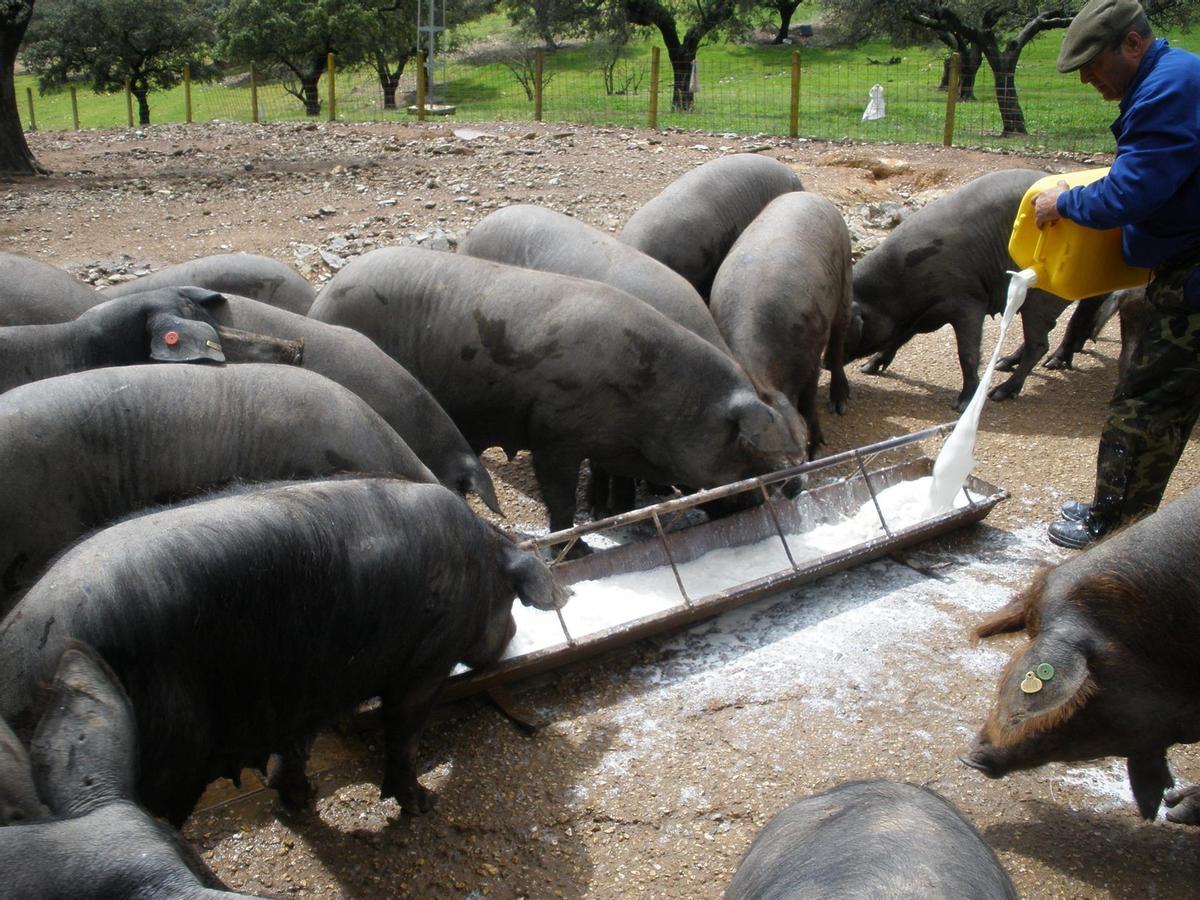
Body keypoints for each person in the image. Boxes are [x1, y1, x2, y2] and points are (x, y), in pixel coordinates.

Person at [1034, 0, 1200, 549]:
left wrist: (1066, 201)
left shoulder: (1164, 92)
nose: (1086, 77)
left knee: (1149, 401)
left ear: (1132, 44)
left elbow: (1131, 192)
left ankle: (1114, 523)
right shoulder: (1182, 74)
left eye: (1091, 62)